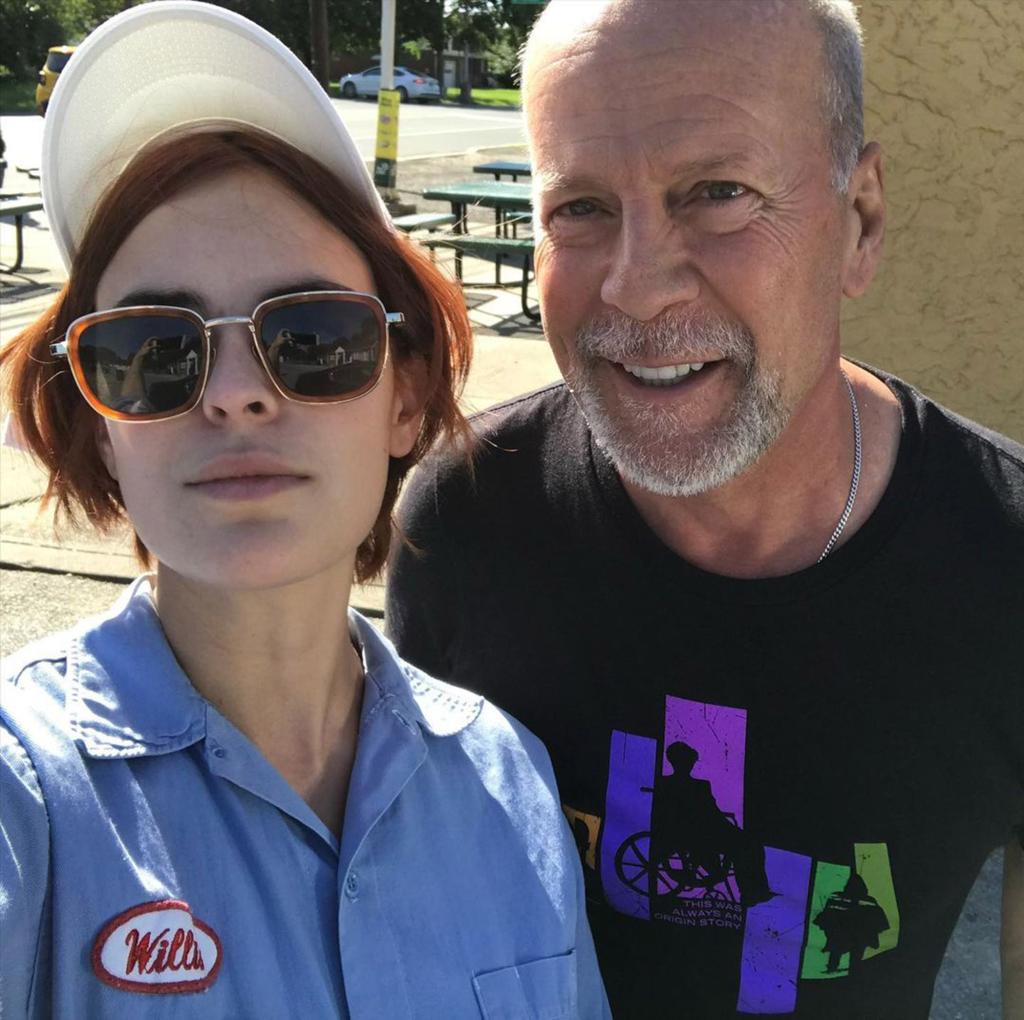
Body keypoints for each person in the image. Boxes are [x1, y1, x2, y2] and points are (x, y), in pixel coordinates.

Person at [386, 0, 1024, 1016]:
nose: (635, 289)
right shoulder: (463, 523)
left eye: (717, 193)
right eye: (579, 208)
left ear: (858, 221)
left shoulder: (1003, 565)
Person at [0, 4, 609, 1018]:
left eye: (313, 336)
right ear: (100, 424)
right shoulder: (26, 795)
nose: (237, 393)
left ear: (405, 397)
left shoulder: (508, 782)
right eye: (153, 352)